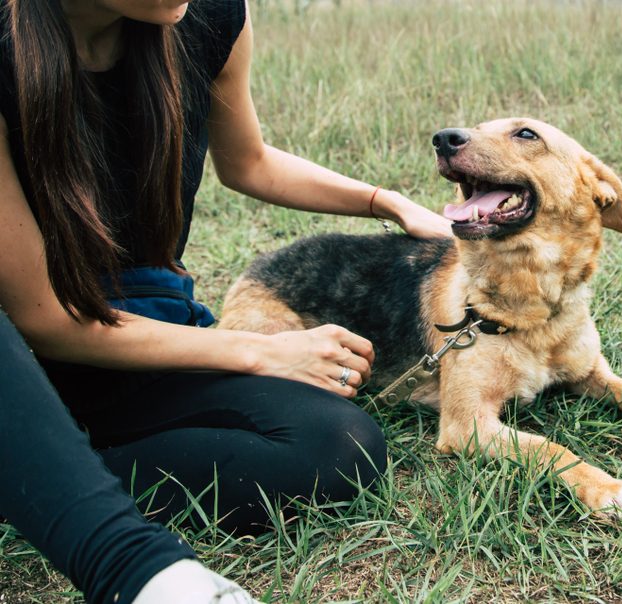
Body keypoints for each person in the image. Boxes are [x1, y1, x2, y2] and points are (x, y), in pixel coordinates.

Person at [0, 0, 451, 601]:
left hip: (150, 333)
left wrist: (386, 201)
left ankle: (38, 472)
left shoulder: (207, 17)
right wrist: (259, 352)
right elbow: (45, 320)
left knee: (340, 446)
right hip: (28, 359)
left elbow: (249, 162)